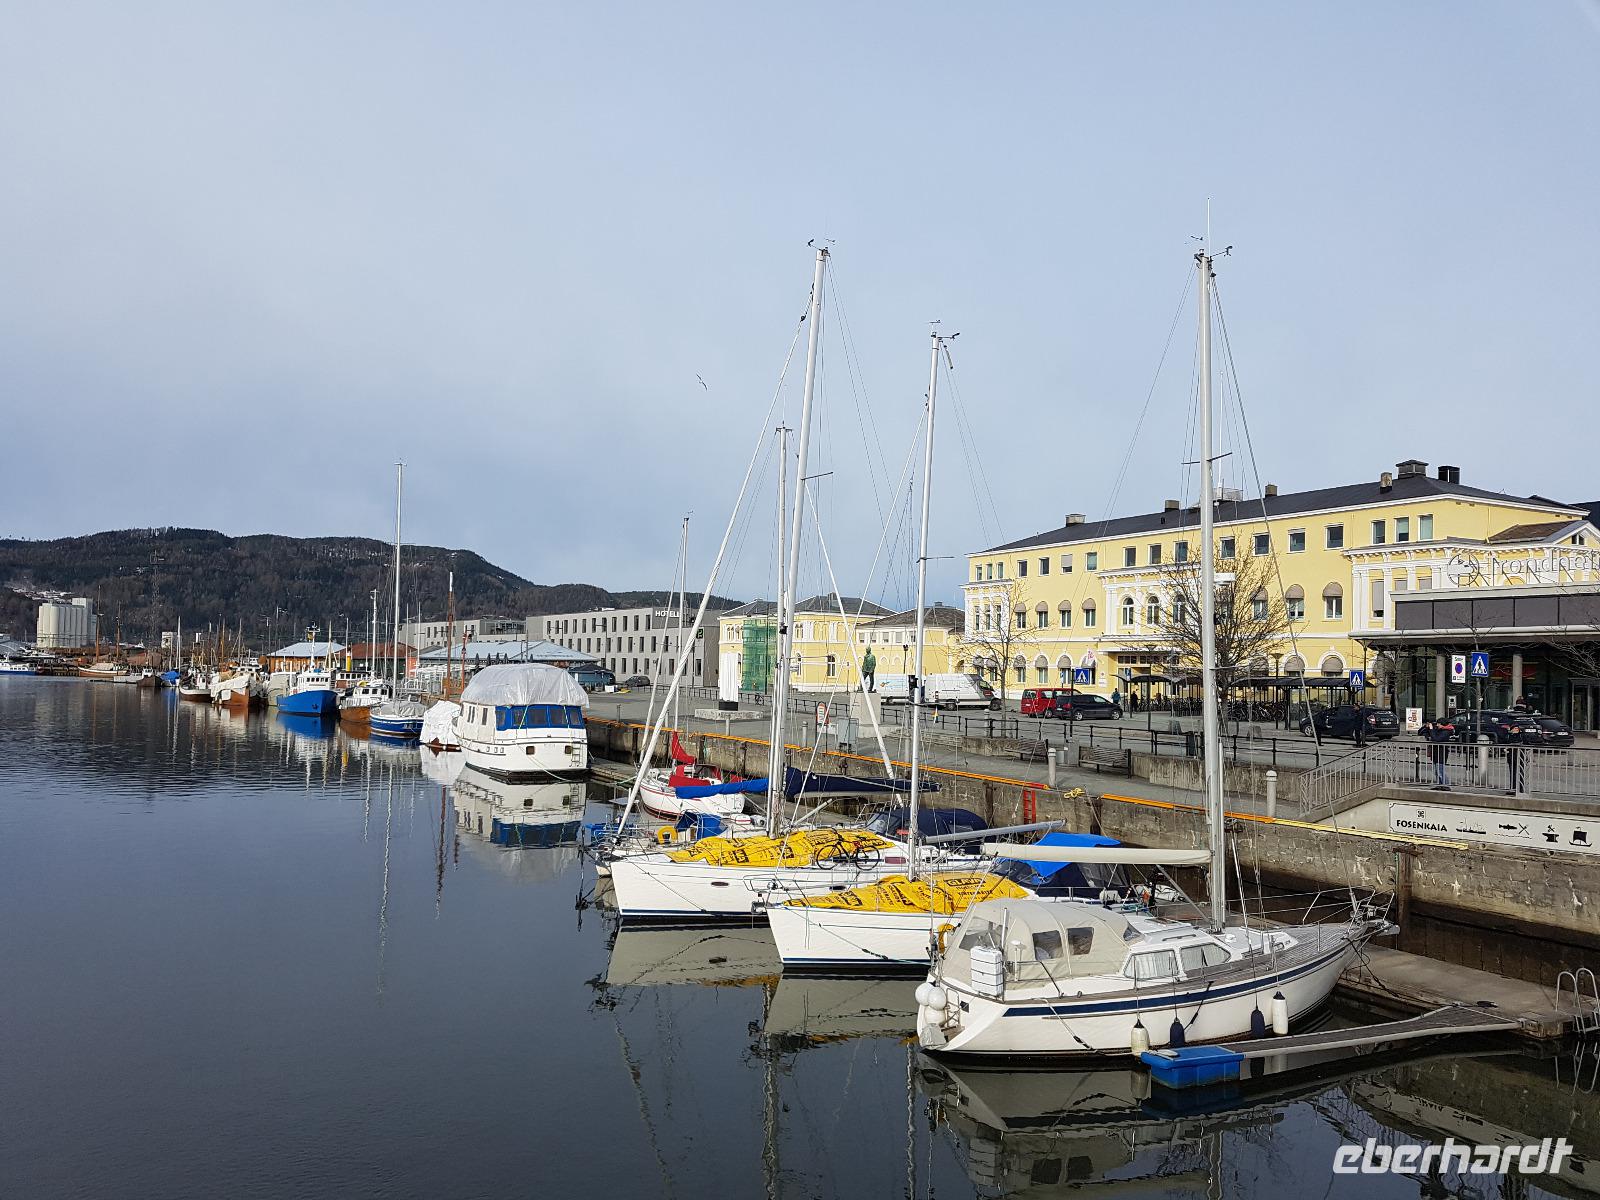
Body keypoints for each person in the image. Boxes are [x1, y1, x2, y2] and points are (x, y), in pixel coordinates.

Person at [1424, 719, 1453, 790]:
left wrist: (1431, 729)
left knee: (1440, 771)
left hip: (1441, 753)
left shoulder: (1446, 731)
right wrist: (1427, 727)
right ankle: (1440, 785)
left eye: (1438, 724)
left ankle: (1445, 785)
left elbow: (1436, 739)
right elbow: (1421, 732)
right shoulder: (1439, 730)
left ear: (1442, 724)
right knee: (1436, 771)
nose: (1437, 725)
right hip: (1436, 753)